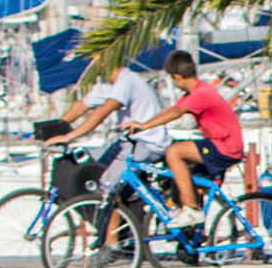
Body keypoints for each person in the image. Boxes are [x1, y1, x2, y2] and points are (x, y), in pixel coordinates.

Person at [122, 50, 243, 229]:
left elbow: (176, 113)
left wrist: (144, 127)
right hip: (220, 145)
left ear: (177, 77)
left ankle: (190, 210)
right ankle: (194, 239)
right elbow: (169, 111)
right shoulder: (194, 93)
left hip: (225, 147)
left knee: (174, 151)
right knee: (194, 188)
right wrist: (142, 124)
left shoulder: (201, 93)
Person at [42, 64, 171, 191]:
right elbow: (81, 107)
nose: (90, 64)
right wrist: (54, 130)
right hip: (127, 142)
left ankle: (115, 209)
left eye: (95, 59)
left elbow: (103, 111)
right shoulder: (106, 83)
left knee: (108, 186)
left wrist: (68, 137)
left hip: (146, 142)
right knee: (90, 164)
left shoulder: (127, 79)